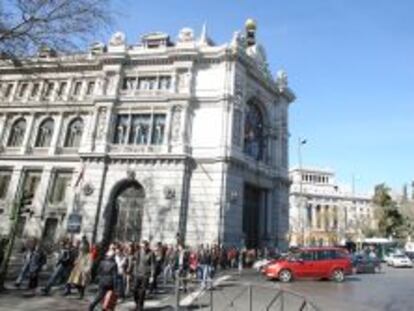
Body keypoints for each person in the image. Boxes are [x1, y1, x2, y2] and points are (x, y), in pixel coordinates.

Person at [133, 240, 155, 311]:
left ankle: (140, 306)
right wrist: (134, 272)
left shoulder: (151, 253)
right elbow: (135, 263)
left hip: (146, 274)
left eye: (144, 246)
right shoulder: (138, 252)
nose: (143, 248)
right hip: (138, 273)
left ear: (147, 246)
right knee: (135, 290)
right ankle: (137, 303)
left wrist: (152, 276)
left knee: (142, 291)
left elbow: (153, 265)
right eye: (142, 246)